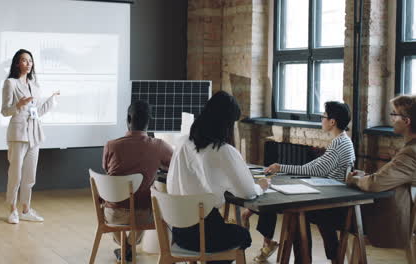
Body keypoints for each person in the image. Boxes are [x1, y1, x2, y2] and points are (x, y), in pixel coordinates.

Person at [244, 101, 355, 263]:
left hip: (330, 204)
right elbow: (316, 165)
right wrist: (285, 168)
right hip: (329, 197)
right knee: (282, 198)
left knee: (293, 211)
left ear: (332, 122)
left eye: (323, 116)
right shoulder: (342, 141)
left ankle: (301, 259)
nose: (321, 120)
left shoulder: (339, 143)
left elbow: (317, 170)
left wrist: (281, 167)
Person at [166, 91, 269, 264]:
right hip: (203, 236)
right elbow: (247, 192)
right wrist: (261, 186)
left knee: (224, 230)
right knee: (243, 236)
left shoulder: (183, 143)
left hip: (178, 231)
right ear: (226, 124)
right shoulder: (223, 150)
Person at [103, 100, 173, 262]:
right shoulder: (158, 145)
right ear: (149, 121)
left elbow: (107, 169)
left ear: (128, 119)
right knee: (149, 197)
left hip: (112, 215)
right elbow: (175, 164)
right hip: (142, 216)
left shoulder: (111, 145)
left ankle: (124, 248)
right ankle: (128, 246)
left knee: (112, 194)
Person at [347, 95, 416, 250]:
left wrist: (356, 180)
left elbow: (374, 184)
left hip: (389, 219)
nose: (391, 118)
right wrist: (365, 176)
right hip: (397, 214)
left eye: (394, 114)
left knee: (317, 214)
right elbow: (385, 178)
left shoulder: (410, 153)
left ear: (406, 121)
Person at [1, 49, 59, 224]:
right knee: (15, 175)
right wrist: (18, 105)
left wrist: (51, 101)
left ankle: (26, 209)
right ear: (17, 63)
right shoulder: (10, 83)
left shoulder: (35, 86)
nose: (29, 63)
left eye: (30, 61)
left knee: (30, 176)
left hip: (34, 133)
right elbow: (4, 111)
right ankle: (12, 210)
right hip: (18, 134)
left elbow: (37, 112)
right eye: (24, 60)